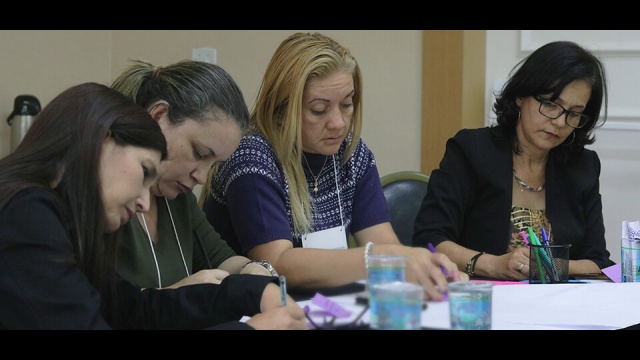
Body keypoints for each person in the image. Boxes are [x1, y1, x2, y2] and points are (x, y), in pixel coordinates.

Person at [0, 82, 307, 330]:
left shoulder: (59, 219)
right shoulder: (25, 215)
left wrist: (249, 292)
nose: (145, 201)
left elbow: (134, 310)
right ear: (101, 141)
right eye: (145, 171)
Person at [201, 32, 467, 301]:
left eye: (347, 104)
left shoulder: (350, 153)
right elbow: (277, 263)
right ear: (283, 108)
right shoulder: (251, 156)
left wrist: (424, 268)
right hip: (251, 310)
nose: (338, 123)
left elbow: (384, 244)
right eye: (319, 109)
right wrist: (382, 258)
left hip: (324, 305)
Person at [413, 41, 616, 281]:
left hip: (558, 306)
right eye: (551, 104)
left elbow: (599, 261)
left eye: (573, 113)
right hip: (480, 299)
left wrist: (548, 266)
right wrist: (493, 265)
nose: (560, 122)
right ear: (521, 95)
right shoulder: (471, 151)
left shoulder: (583, 166)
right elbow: (431, 240)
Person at [111, 59, 277, 290]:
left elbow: (221, 257)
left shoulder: (176, 194)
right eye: (199, 153)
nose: (202, 177)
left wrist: (252, 268)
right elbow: (93, 306)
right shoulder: (103, 193)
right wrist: (180, 295)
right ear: (158, 116)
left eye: (214, 164)